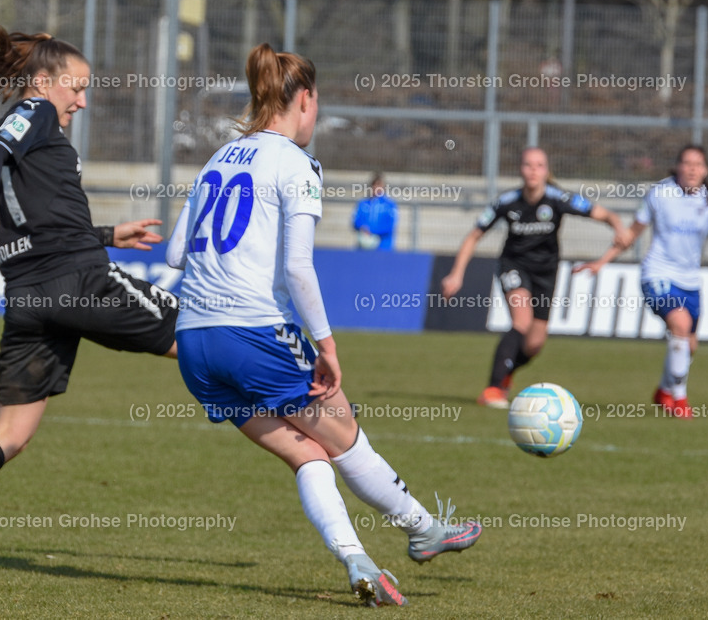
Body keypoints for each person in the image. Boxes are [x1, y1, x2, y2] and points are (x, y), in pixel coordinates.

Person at [167, 42, 481, 607]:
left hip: (193, 341)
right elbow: (297, 266)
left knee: (307, 453)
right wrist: (327, 345)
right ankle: (422, 528)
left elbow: (172, 255)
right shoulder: (296, 162)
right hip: (252, 331)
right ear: (305, 100)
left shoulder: (217, 159)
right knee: (344, 437)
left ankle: (357, 559)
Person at [0, 23, 179, 557]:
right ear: (44, 82)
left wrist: (110, 235)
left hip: (30, 297)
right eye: (77, 86)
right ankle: (305, 424)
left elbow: (41, 223)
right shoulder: (35, 112)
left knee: (10, 434)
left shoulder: (33, 135)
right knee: (203, 332)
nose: (84, 101)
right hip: (78, 282)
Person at [574, 145, 708, 418]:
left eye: (698, 164)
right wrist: (602, 261)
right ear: (678, 167)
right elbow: (633, 233)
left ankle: (663, 390)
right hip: (657, 274)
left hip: (690, 282)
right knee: (680, 324)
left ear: (705, 170)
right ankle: (680, 399)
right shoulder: (660, 194)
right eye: (687, 163)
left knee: (689, 345)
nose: (692, 169)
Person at [441, 147, 630, 409]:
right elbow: (474, 235)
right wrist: (456, 274)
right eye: (528, 165)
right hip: (513, 266)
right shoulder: (506, 202)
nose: (533, 170)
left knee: (534, 344)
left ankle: (507, 373)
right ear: (521, 169)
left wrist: (618, 228)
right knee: (522, 321)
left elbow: (607, 214)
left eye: (539, 165)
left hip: (546, 273)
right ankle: (493, 389)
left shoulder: (558, 198)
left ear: (546, 171)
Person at [352, 173, 398, 250]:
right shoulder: (363, 204)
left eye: (379, 185)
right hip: (364, 248)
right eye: (374, 185)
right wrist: (362, 228)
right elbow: (356, 221)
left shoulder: (390, 205)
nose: (376, 188)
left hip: (383, 248)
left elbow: (390, 226)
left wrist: (372, 231)